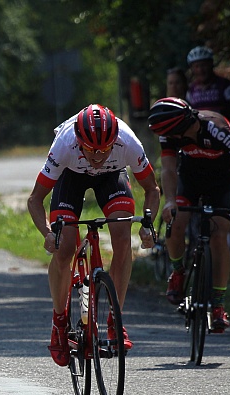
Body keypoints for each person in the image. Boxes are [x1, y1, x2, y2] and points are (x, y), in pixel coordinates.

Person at [27, 103, 161, 366]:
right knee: (64, 248)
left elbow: (152, 190)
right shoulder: (64, 145)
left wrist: (148, 224)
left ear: (115, 141)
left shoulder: (128, 142)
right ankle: (59, 322)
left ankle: (115, 320)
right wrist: (47, 233)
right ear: (79, 142)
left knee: (122, 237)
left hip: (112, 177)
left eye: (105, 149)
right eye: (90, 150)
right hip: (70, 177)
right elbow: (35, 199)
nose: (98, 156)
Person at [147, 97, 230, 332]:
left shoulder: (216, 131)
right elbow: (168, 169)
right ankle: (177, 272)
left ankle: (218, 305)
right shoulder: (169, 132)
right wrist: (169, 201)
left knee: (218, 236)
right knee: (176, 221)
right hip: (190, 177)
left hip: (222, 181)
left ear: (180, 128)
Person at [185, 46, 230, 143]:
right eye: (196, 66)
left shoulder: (226, 86)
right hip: (201, 142)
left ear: (211, 64)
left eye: (203, 65)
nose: (200, 70)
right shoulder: (191, 90)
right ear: (192, 68)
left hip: (224, 139)